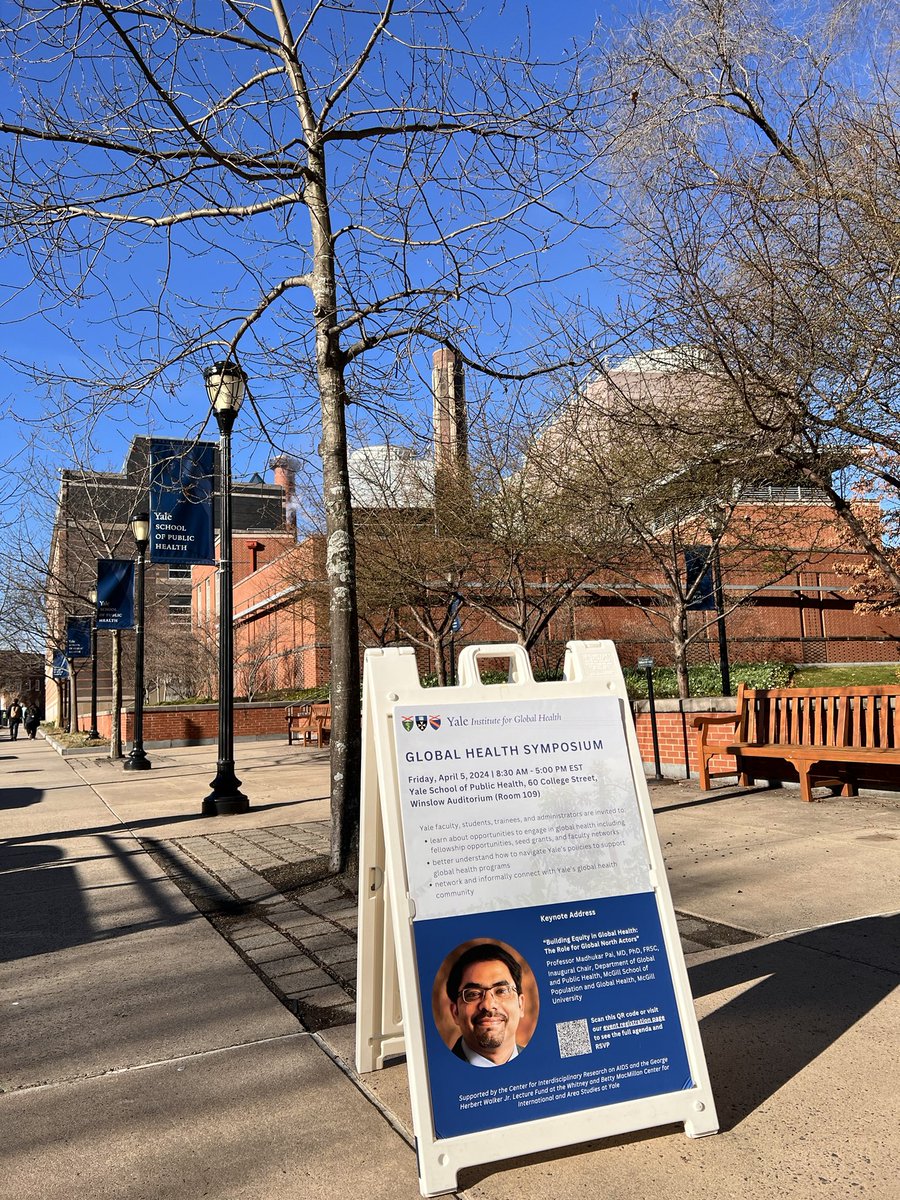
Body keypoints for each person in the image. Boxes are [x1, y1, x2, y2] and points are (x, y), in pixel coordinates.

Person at [445, 943, 527, 1067]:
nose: (488, 1005)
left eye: (501, 991)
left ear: (521, 1005)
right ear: (455, 1012)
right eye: (473, 994)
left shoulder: (543, 1063)